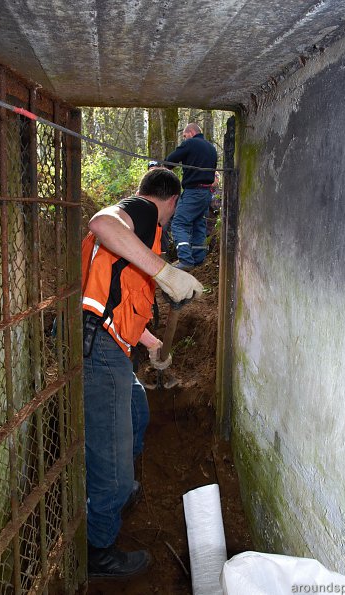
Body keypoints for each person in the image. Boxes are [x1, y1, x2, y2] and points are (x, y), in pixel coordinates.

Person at [81, 167, 203, 579]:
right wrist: (165, 271)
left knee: (137, 413)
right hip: (98, 354)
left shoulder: (137, 236)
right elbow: (101, 223)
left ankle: (120, 492)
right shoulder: (143, 211)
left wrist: (152, 346)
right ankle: (98, 550)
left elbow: (118, 301)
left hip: (109, 347)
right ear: (171, 200)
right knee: (111, 470)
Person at [165, 123, 218, 271]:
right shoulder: (211, 148)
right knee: (198, 225)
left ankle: (186, 260)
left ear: (191, 132)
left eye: (184, 136)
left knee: (178, 223)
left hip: (193, 192)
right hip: (206, 193)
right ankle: (198, 259)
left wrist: (161, 168)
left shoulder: (190, 143)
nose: (184, 138)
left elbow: (170, 160)